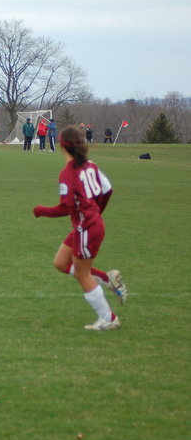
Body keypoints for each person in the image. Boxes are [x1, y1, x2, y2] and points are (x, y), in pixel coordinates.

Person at [33, 126, 128, 330]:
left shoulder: (67, 173)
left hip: (87, 227)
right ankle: (107, 278)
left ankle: (109, 319)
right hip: (86, 225)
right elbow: (107, 190)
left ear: (61, 146)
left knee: (81, 274)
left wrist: (41, 210)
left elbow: (65, 207)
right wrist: (96, 212)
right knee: (61, 263)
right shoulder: (90, 165)